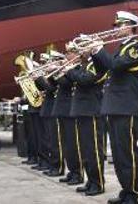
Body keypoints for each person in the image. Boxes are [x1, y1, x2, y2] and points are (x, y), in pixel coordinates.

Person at [92, 11, 138, 204]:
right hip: (114, 106)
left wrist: (99, 50)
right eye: (116, 25)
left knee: (128, 152)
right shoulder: (120, 49)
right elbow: (103, 70)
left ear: (131, 26)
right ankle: (126, 190)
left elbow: (115, 66)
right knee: (117, 153)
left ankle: (134, 194)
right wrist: (93, 54)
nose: (117, 29)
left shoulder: (135, 47)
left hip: (126, 107)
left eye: (121, 25)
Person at [64, 45, 108, 196]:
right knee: (86, 150)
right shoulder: (83, 65)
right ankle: (91, 180)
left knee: (94, 150)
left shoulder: (94, 64)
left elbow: (85, 80)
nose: (80, 52)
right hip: (82, 111)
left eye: (82, 48)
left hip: (92, 110)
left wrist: (69, 70)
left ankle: (98, 183)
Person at [53, 50, 83, 186]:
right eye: (66, 53)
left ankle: (78, 173)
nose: (67, 56)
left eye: (70, 53)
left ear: (76, 56)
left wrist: (59, 71)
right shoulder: (69, 69)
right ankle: (72, 171)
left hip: (70, 110)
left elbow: (66, 83)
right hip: (62, 109)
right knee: (66, 145)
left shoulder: (77, 68)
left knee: (73, 144)